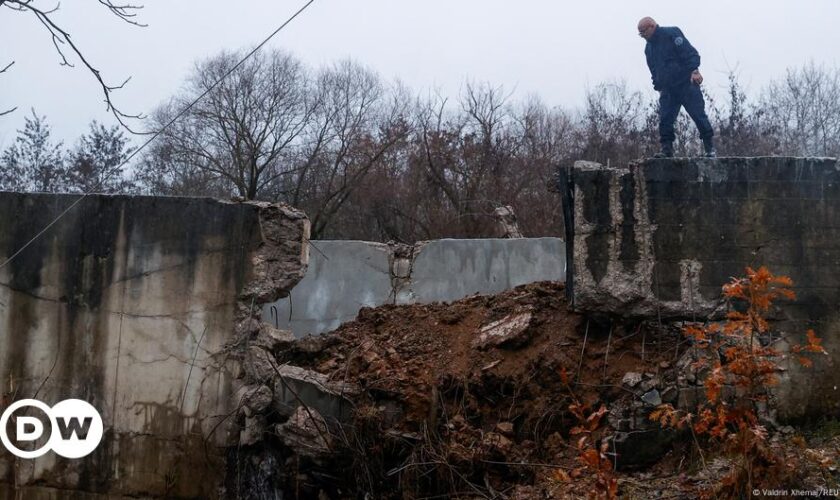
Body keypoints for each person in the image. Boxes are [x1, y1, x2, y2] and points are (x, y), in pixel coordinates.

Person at [638, 17, 716, 158]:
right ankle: (666, 150)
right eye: (640, 34)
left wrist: (694, 71)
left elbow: (689, 53)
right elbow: (653, 69)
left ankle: (709, 148)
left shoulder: (671, 33)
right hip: (668, 90)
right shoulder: (648, 49)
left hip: (686, 84)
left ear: (652, 26)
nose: (642, 35)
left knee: (698, 115)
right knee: (665, 119)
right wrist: (658, 86)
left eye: (643, 32)